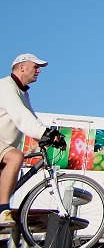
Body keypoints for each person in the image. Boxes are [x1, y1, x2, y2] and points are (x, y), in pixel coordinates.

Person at [0, 53, 65, 226]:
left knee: (12, 166)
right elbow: (21, 117)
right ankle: (2, 211)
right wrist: (46, 133)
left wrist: (51, 135)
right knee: (15, 157)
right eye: (35, 67)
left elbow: (32, 119)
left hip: (3, 145)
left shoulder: (23, 93)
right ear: (22, 67)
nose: (38, 71)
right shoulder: (6, 86)